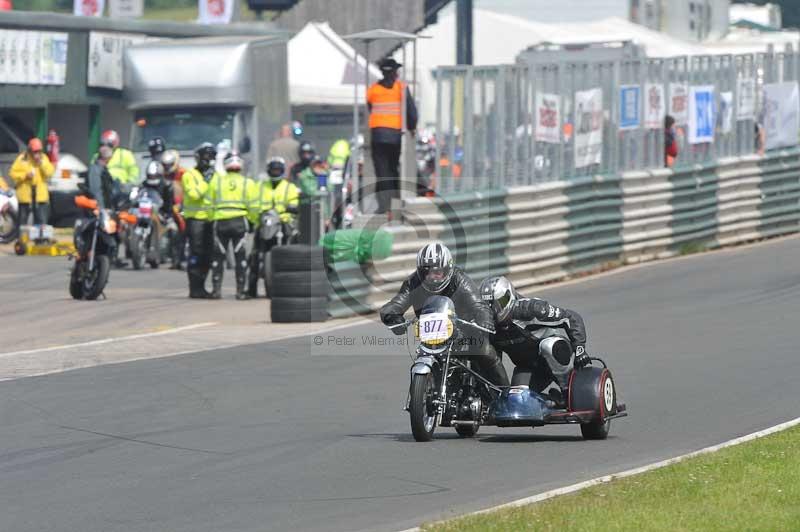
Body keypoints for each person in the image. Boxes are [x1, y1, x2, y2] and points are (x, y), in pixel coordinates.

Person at [380, 243, 509, 386]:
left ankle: (504, 393)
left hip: (463, 332)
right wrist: (392, 316)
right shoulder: (413, 283)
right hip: (431, 335)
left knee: (485, 350)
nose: (432, 277)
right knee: (421, 357)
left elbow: (478, 305)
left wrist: (484, 320)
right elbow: (396, 303)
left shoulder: (460, 280)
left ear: (448, 269)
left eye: (437, 272)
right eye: (426, 273)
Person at [479, 276, 589, 406]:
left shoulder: (531, 309)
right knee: (517, 401)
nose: (493, 311)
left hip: (556, 354)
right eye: (487, 307)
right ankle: (554, 401)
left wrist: (580, 349)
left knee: (548, 345)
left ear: (508, 297)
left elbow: (571, 318)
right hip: (528, 367)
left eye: (497, 304)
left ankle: (566, 390)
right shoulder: (485, 324)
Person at [367, 57, 418, 214]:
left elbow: (370, 108)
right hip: (395, 135)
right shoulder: (401, 88)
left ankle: (384, 205)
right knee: (392, 169)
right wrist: (412, 128)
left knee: (382, 171)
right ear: (395, 72)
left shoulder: (373, 90)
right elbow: (411, 112)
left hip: (378, 135)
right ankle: (394, 203)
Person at [207, 150, 257, 300]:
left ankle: (216, 291)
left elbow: (209, 204)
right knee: (240, 257)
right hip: (239, 222)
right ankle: (240, 292)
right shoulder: (248, 183)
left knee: (218, 257)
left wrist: (211, 219)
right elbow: (254, 207)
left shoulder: (217, 182)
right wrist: (253, 221)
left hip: (220, 222)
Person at [246, 157, 299, 297]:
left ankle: (295, 279)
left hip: (284, 222)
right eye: (273, 170)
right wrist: (255, 217)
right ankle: (251, 289)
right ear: (268, 170)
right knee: (254, 254)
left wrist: (292, 208)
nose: (275, 172)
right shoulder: (260, 186)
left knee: (295, 244)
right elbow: (252, 204)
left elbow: (295, 202)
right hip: (265, 222)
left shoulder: (290, 187)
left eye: (278, 170)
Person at [181, 142, 216, 299]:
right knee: (196, 253)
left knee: (208, 255)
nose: (208, 160)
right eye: (205, 156)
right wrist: (205, 182)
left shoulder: (216, 176)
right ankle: (194, 288)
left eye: (211, 157)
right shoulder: (189, 175)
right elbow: (194, 195)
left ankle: (202, 286)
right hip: (195, 220)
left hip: (211, 219)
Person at [9, 137, 55, 226]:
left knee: (41, 222)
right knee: (22, 222)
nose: (37, 153)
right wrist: (25, 175)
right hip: (25, 196)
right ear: (29, 150)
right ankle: (23, 239)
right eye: (34, 151)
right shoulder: (22, 159)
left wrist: (41, 163)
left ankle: (40, 239)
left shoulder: (44, 158)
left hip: (40, 197)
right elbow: (12, 173)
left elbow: (50, 173)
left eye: (39, 151)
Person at [161, 149, 187, 270]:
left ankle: (179, 258)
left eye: (169, 165)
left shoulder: (184, 174)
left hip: (182, 206)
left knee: (181, 231)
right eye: (165, 165)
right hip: (165, 206)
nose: (167, 167)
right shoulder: (160, 174)